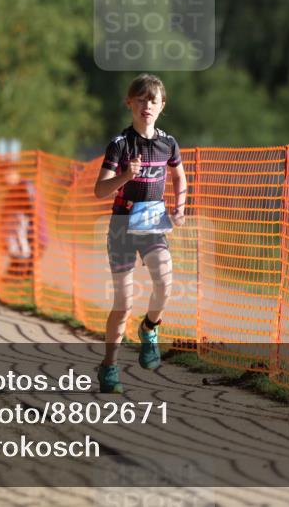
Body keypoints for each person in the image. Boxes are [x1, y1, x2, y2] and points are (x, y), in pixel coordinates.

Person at [93, 74, 187, 394]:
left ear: (162, 106)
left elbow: (178, 176)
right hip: (121, 224)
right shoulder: (120, 145)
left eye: (153, 100)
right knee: (123, 303)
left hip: (152, 220)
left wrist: (180, 207)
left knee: (165, 281)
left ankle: (149, 329)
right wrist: (124, 176)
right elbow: (99, 190)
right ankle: (109, 366)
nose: (147, 105)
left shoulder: (168, 143)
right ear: (129, 103)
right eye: (141, 99)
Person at [0, 159, 48, 284]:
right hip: (22, 247)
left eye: (0, 176)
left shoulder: (25, 188)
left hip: (33, 242)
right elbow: (0, 225)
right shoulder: (12, 194)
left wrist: (32, 244)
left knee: (15, 279)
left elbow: (32, 216)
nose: (0, 181)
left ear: (10, 172)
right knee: (12, 280)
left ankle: (23, 276)